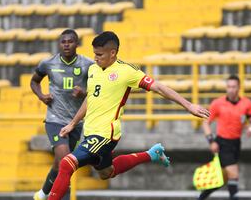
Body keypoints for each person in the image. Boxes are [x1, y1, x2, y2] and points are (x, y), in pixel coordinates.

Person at [47, 31, 210, 200]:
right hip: (89, 132)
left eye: (99, 54)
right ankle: (152, 154)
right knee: (106, 172)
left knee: (66, 164)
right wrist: (73, 123)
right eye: (94, 54)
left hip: (105, 134)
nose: (95, 58)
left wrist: (188, 105)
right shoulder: (94, 70)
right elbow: (91, 99)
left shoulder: (126, 71)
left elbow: (159, 87)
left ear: (113, 53)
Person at [30, 29, 94, 200]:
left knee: (60, 164)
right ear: (59, 44)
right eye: (63, 42)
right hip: (55, 120)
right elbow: (34, 80)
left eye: (70, 41)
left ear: (77, 44)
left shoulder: (87, 65)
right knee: (66, 160)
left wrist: (84, 93)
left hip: (76, 122)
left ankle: (43, 193)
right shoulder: (48, 63)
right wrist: (42, 96)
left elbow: (97, 90)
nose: (66, 45)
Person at [199, 75, 251, 200]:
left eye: (234, 87)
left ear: (239, 88)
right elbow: (205, 123)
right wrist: (211, 141)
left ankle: (201, 198)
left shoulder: (247, 103)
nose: (231, 89)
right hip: (223, 143)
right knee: (234, 173)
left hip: (236, 143)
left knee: (221, 178)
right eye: (229, 86)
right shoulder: (218, 103)